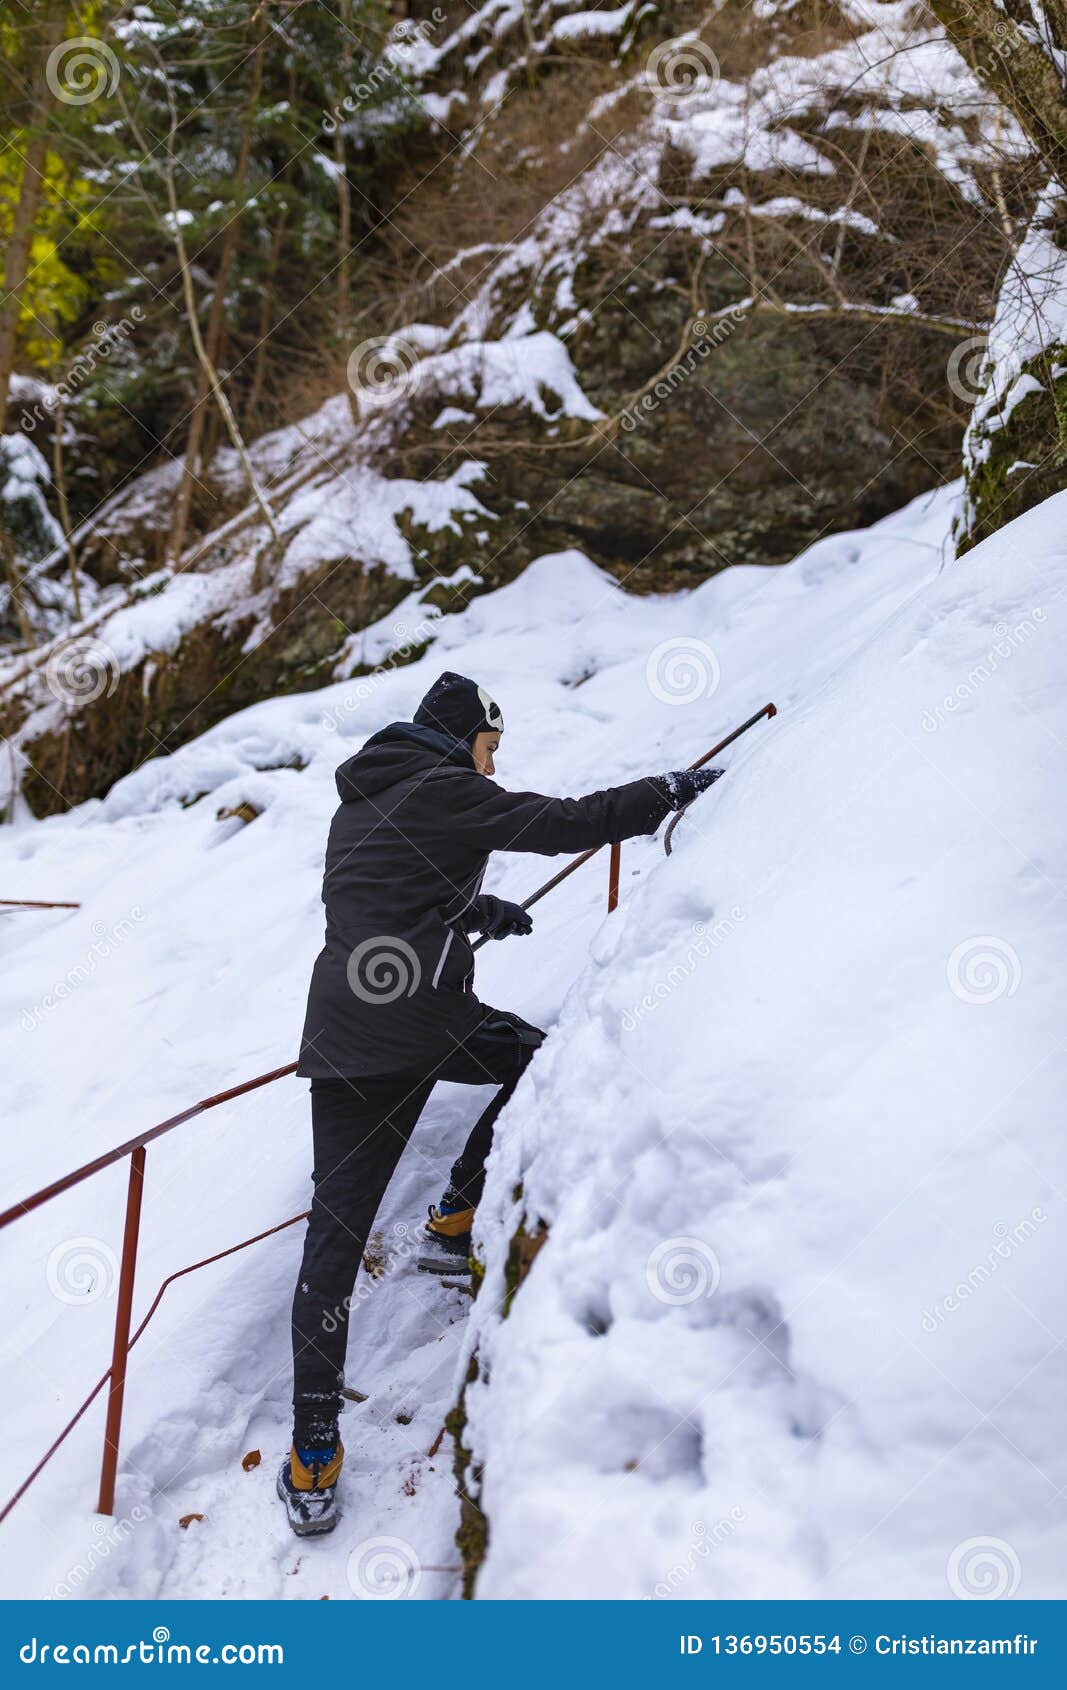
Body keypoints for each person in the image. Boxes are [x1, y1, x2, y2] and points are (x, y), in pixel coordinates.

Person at [278, 671, 722, 1534]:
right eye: (490, 748)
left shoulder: (362, 801)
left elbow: (381, 897)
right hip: (426, 1023)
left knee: (333, 1237)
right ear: (462, 736)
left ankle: (313, 1447)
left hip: (340, 1035)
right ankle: (453, 1214)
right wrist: (665, 792)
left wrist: (479, 909)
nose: (491, 768)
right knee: (543, 1065)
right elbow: (560, 823)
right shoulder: (446, 786)